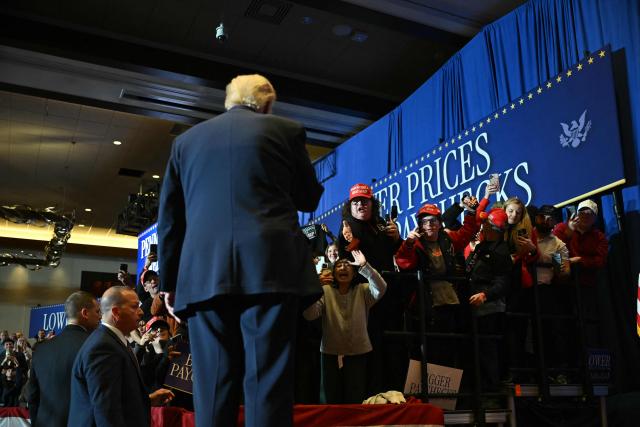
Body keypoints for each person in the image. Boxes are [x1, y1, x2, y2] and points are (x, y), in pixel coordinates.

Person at [157, 74, 323, 427]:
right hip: (270, 271)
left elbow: (170, 220)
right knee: (268, 384)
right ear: (266, 104)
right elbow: (309, 197)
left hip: (204, 276)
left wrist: (168, 282)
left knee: (213, 386)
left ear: (228, 101)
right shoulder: (286, 130)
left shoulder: (185, 143)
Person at [68, 286, 174, 427]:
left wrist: (147, 400)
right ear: (116, 312)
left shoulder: (112, 341)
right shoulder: (103, 348)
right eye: (135, 307)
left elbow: (119, 398)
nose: (141, 312)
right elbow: (107, 411)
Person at [303, 250, 386, 403]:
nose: (343, 267)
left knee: (355, 399)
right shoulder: (325, 291)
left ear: (354, 273)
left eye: (347, 265)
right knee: (329, 400)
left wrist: (364, 266)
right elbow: (309, 314)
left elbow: (381, 288)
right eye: (339, 265)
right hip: (330, 353)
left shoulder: (363, 290)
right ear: (333, 272)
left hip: (358, 351)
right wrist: (314, 286)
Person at [26, 291, 101, 427]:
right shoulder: (96, 347)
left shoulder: (41, 349)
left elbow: (32, 397)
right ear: (85, 313)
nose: (100, 317)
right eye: (97, 312)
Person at [466, 208, 512, 402]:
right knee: (479, 350)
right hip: (475, 307)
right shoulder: (481, 247)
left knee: (488, 350)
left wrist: (486, 295)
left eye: (488, 224)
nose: (483, 226)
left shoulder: (501, 251)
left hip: (490, 307)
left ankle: (491, 392)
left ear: (496, 229)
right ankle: (481, 390)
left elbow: (504, 282)